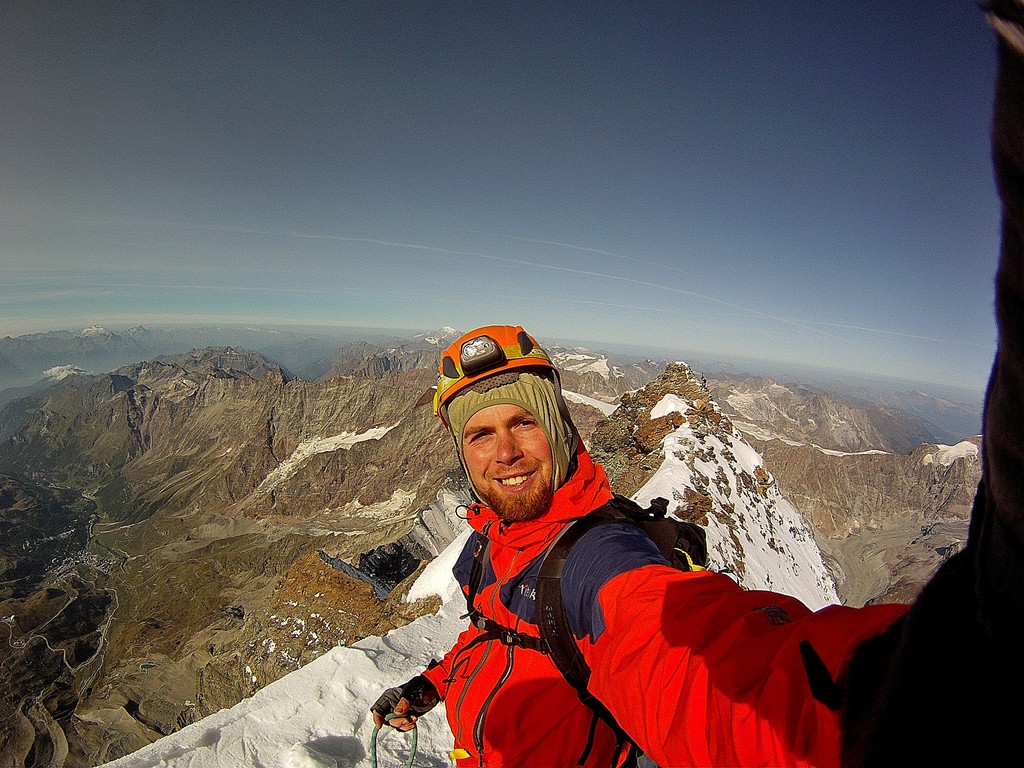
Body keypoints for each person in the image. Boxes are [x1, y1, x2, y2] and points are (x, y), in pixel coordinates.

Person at [372, 5, 1024, 765]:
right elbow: (494, 633)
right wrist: (431, 683)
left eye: (523, 423)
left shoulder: (595, 565)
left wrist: (929, 688)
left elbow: (713, 670)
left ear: (561, 427)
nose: (504, 451)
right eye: (479, 434)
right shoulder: (492, 546)